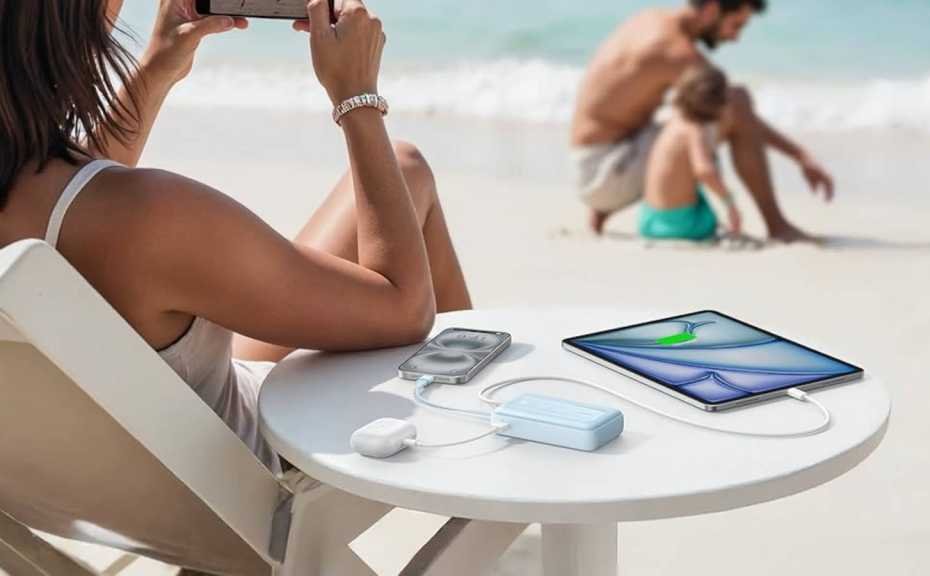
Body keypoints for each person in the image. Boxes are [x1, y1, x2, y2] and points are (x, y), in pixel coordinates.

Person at [0, 0, 471, 473]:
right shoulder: (152, 216)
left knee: (404, 168)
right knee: (405, 169)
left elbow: (73, 205)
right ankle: (474, 451)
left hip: (102, 480)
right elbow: (405, 310)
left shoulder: (34, 201)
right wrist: (356, 96)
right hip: (246, 464)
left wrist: (158, 66)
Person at [571, 0, 835, 241]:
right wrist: (800, 155)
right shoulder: (675, 51)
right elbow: (738, 113)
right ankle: (777, 226)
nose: (736, 37)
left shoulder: (651, 19)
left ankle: (602, 210)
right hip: (606, 175)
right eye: (736, 25)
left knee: (686, 113)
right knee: (735, 102)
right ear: (711, 9)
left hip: (592, 165)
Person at [641, 65, 740, 241]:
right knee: (709, 217)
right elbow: (704, 170)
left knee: (694, 192)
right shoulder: (694, 130)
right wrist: (729, 202)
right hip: (679, 225)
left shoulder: (674, 122)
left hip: (648, 220)